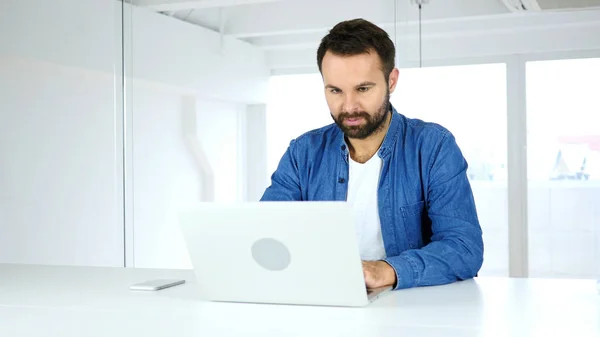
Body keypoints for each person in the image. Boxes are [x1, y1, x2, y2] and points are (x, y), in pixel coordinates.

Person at [260, 18, 484, 290]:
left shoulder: (433, 147)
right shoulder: (302, 153)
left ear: (391, 81)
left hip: (408, 309)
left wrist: (387, 271)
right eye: (335, 91)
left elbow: (464, 248)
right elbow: (267, 235)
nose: (349, 106)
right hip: (322, 302)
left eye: (363, 89)